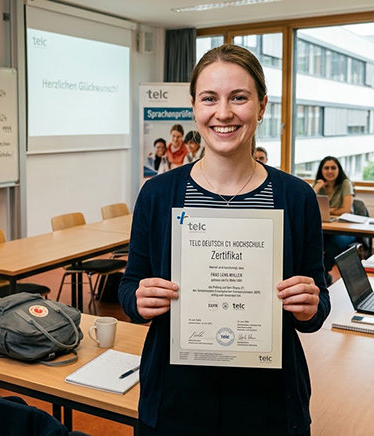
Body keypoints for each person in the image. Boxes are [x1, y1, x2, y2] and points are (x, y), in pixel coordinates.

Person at [119, 44, 329, 436]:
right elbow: (130, 286)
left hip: (269, 400)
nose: (224, 113)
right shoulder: (158, 194)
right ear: (195, 107)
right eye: (209, 98)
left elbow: (317, 308)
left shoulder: (296, 198)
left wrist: (309, 304)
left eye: (239, 98)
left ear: (262, 106)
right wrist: (139, 299)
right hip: (176, 397)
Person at [312, 156, 357, 277]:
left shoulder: (345, 184)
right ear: (321, 170)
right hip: (326, 228)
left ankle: (324, 275)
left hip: (346, 229)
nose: (330, 171)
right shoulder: (319, 185)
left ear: (339, 169)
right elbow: (309, 205)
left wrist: (328, 210)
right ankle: (315, 273)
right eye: (326, 168)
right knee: (313, 243)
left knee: (332, 246)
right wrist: (316, 187)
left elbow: (346, 210)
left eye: (333, 168)